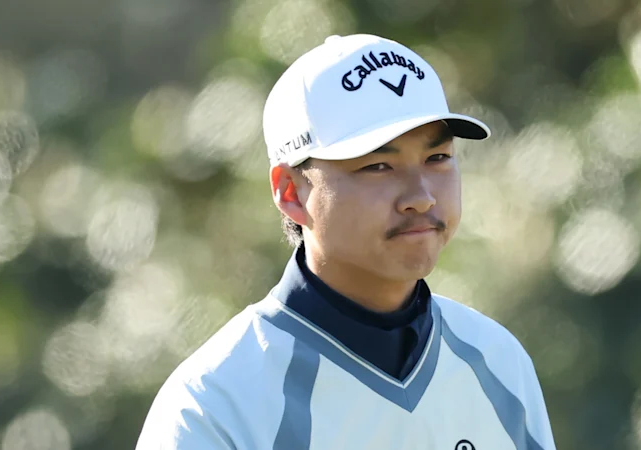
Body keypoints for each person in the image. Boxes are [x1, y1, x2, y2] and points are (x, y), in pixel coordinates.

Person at [136, 33, 557, 450]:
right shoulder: (214, 405)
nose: (421, 196)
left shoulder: (499, 362)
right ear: (290, 192)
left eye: (437, 158)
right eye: (378, 165)